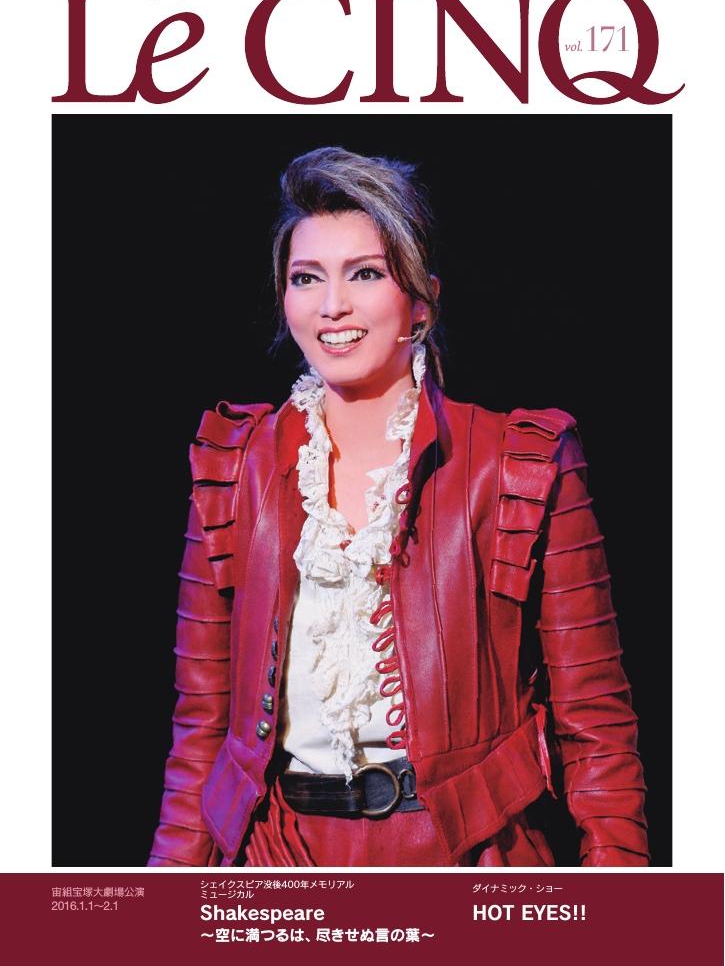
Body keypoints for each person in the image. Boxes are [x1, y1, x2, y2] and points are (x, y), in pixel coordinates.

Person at [148, 147, 649, 868]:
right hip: (278, 859)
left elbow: (595, 726)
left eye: (365, 274)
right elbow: (201, 729)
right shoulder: (234, 467)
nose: (332, 305)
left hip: (467, 857)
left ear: (420, 301)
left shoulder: (521, 464)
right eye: (306, 278)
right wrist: (165, 897)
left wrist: (622, 899)